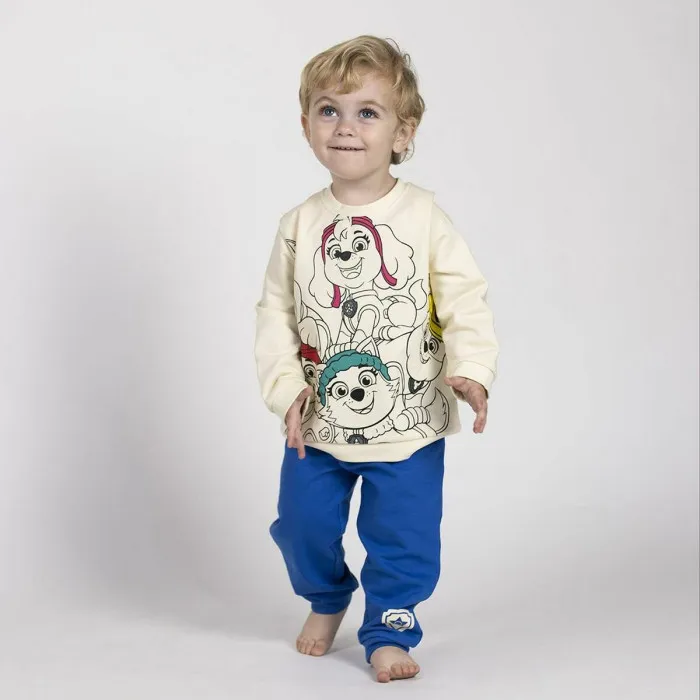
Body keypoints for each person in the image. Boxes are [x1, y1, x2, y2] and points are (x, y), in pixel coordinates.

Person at [254, 35, 499, 683]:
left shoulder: (424, 217)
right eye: (328, 110)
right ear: (306, 125)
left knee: (403, 537)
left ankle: (389, 627)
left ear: (403, 132)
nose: (345, 126)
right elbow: (274, 314)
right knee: (302, 525)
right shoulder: (298, 225)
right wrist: (285, 390)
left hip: (408, 422)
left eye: (367, 112)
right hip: (317, 425)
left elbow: (464, 298)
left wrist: (472, 368)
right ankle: (326, 596)